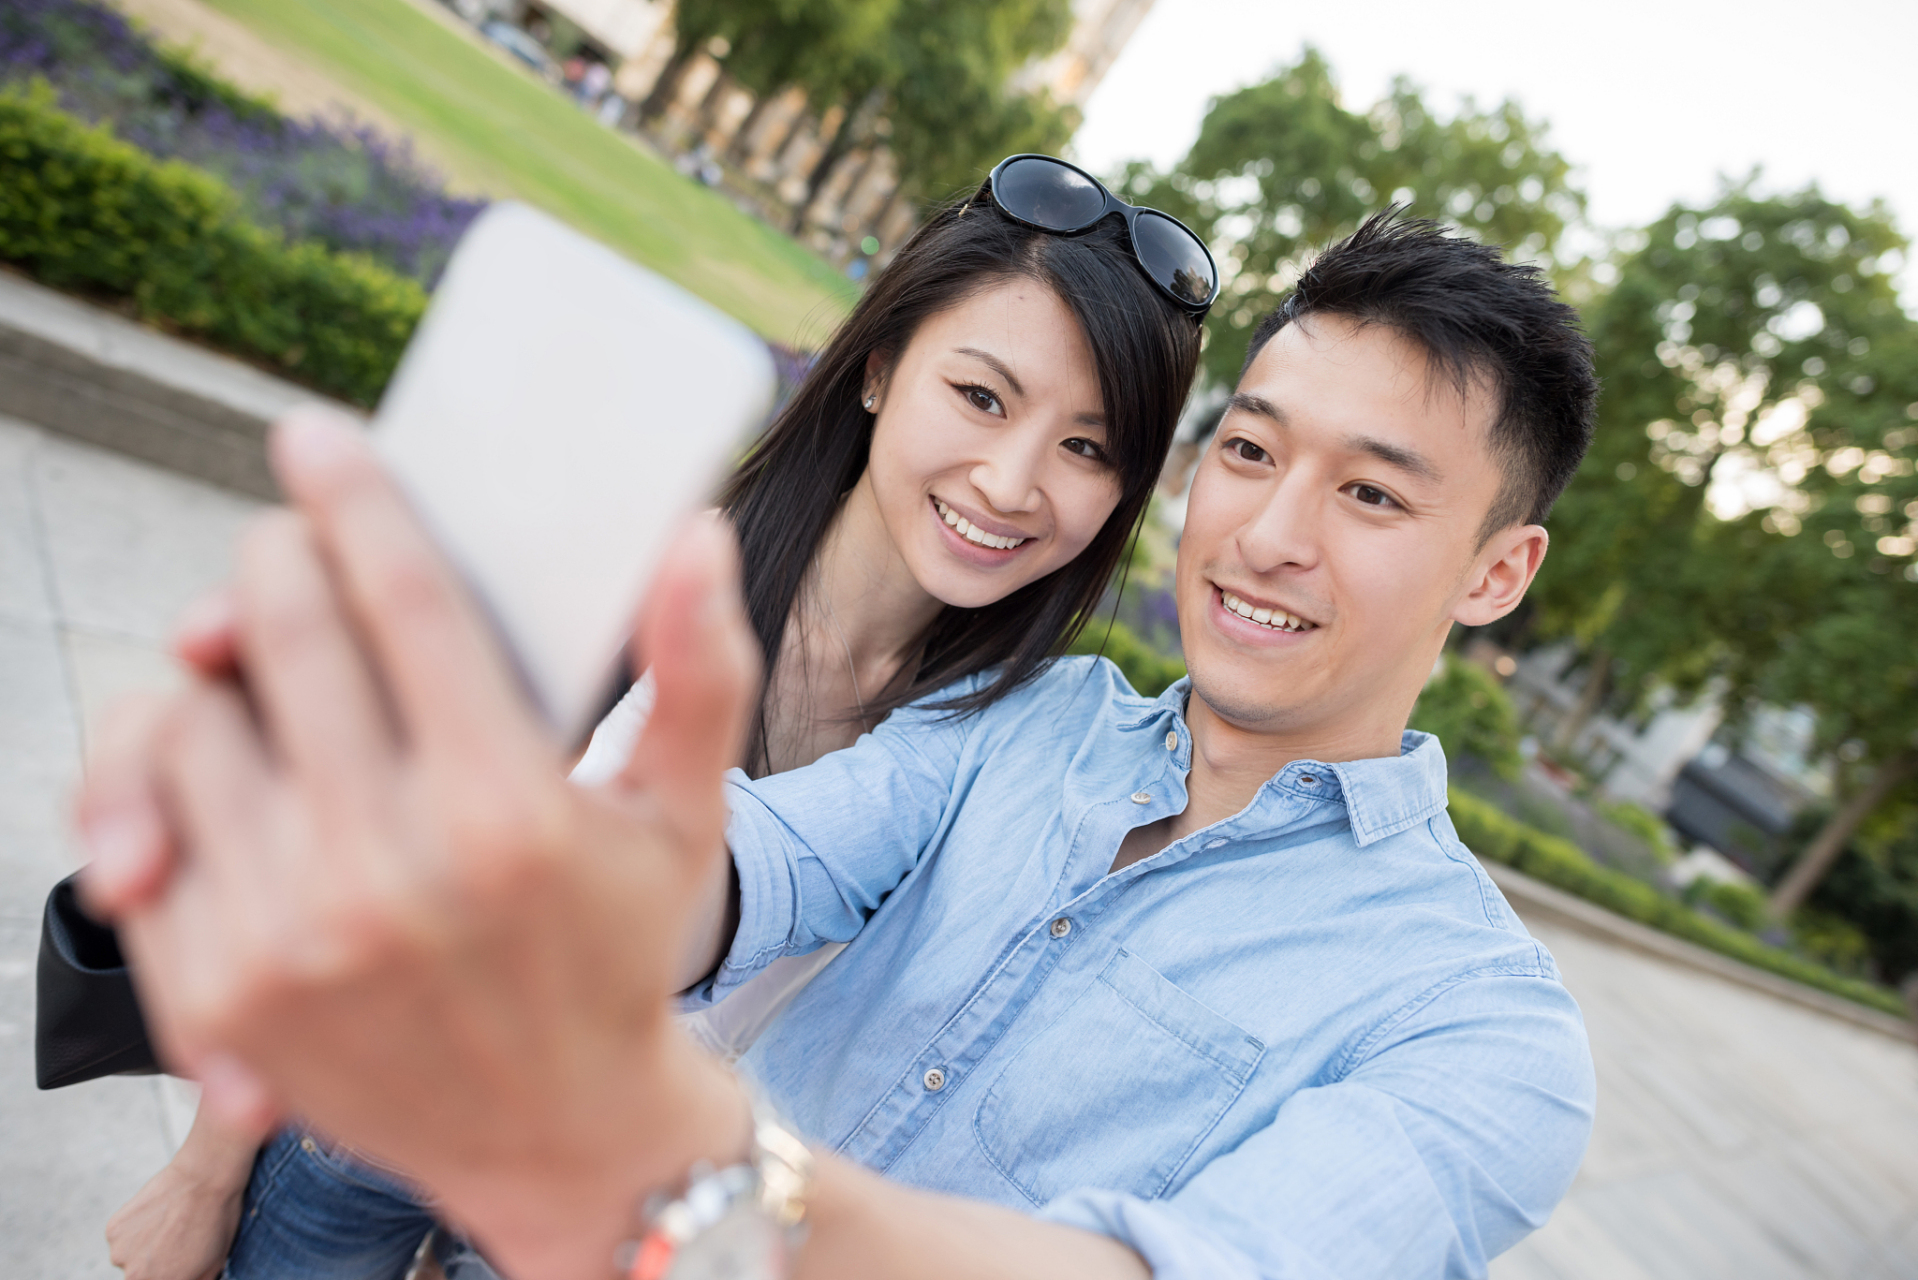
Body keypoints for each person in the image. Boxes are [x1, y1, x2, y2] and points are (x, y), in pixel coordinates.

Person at [80, 212, 1600, 1280]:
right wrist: (525, 876)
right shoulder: (1035, 720)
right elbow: (754, 867)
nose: (1266, 536)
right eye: (1251, 453)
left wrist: (678, 1161)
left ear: (1493, 573)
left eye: (1372, 496)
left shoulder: (1478, 1039)